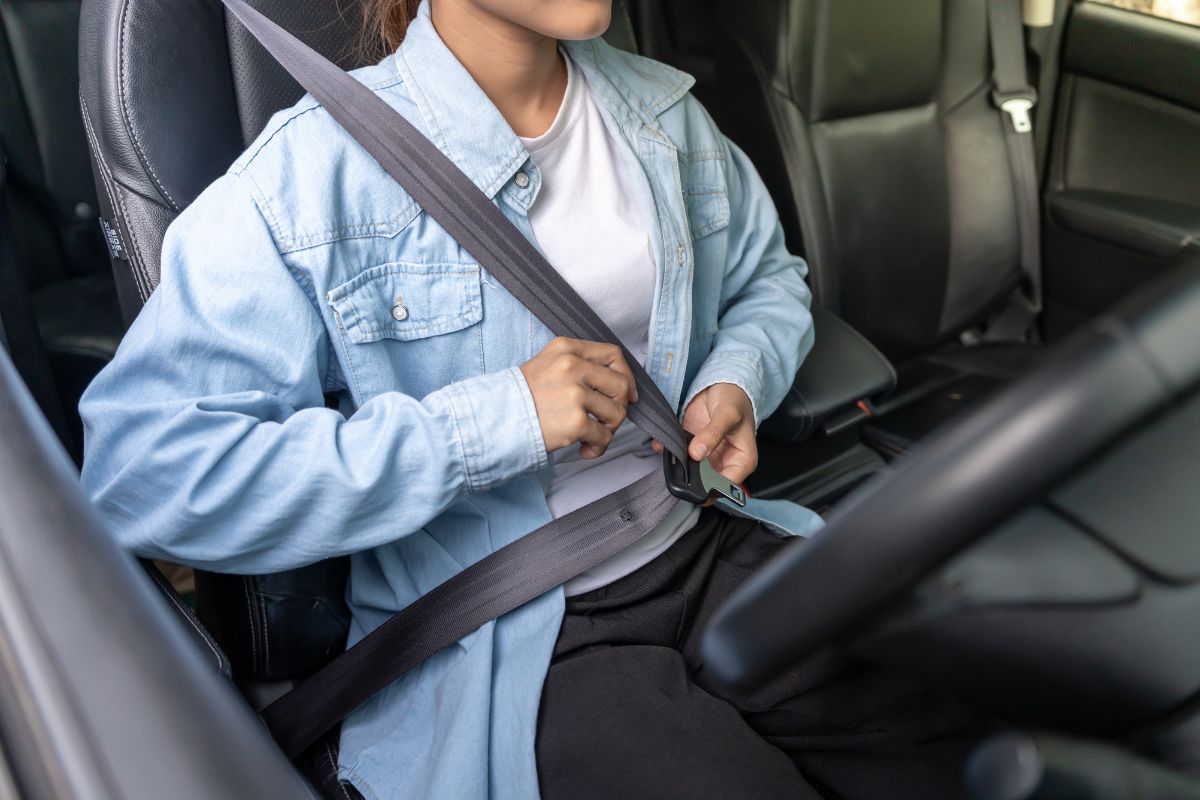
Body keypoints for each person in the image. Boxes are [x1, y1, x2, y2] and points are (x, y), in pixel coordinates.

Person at [79, 0, 981, 797]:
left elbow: (769, 281)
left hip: (699, 540)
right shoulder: (308, 181)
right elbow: (140, 474)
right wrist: (496, 422)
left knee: (954, 741)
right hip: (508, 632)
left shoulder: (662, 112)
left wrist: (736, 377)